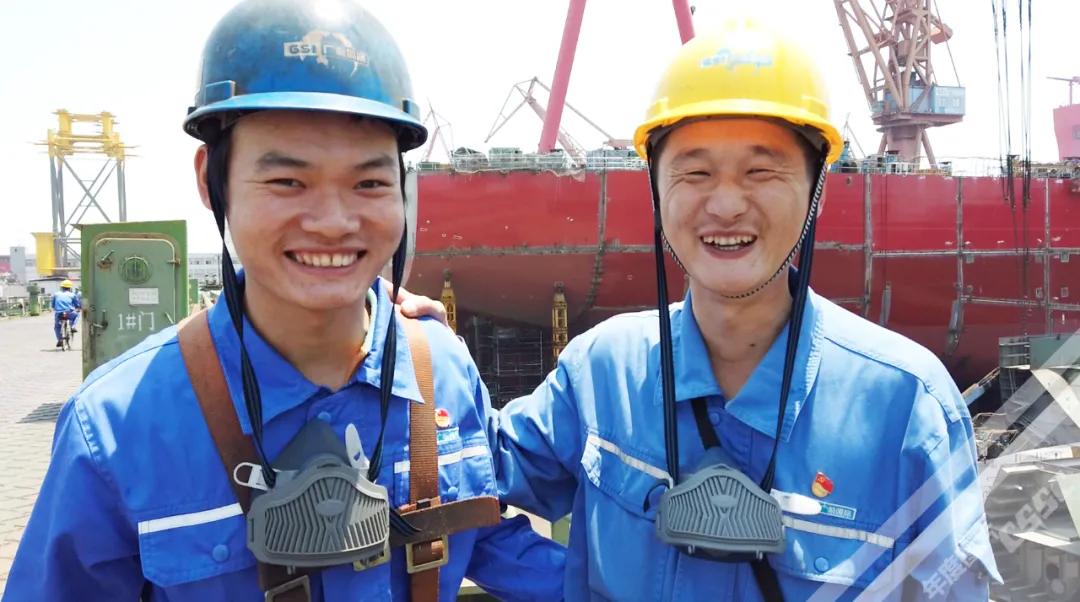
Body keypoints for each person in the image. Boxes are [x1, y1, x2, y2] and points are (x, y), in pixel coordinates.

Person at [405, 17, 1002, 601]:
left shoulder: (907, 408)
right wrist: (415, 350)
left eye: (761, 170)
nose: (726, 204)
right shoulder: (603, 372)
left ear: (817, 190)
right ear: (655, 189)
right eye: (694, 172)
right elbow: (465, 481)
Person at [6, 1, 564, 600]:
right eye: (287, 181)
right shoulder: (117, 427)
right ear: (211, 180)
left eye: (369, 182)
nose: (334, 222)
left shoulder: (442, 372)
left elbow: (483, 531)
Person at [51, 279, 80, 347]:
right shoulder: (72, 295)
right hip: (69, 312)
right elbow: (77, 304)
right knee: (77, 315)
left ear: (61, 287)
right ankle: (73, 327)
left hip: (59, 313)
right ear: (70, 288)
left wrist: (55, 308)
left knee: (57, 326)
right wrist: (78, 308)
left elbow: (52, 305)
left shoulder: (56, 294)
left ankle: (59, 340)